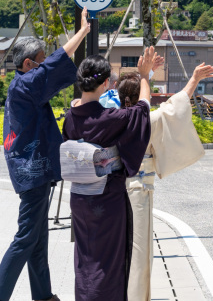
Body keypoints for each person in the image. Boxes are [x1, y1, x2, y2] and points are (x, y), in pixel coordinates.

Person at [0, 8, 90, 301]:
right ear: (28, 64)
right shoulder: (26, 84)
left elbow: (50, 66)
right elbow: (55, 64)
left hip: (33, 171)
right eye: (39, 62)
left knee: (38, 239)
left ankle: (44, 296)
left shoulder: (20, 87)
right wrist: (83, 32)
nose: (43, 67)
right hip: (33, 172)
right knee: (26, 238)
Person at [111, 62, 213, 301]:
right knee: (139, 251)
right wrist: (194, 79)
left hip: (113, 190)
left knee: (117, 250)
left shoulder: (112, 119)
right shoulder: (148, 119)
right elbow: (174, 106)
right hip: (139, 191)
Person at [62, 48, 158, 301]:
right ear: (105, 83)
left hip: (79, 199)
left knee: (85, 259)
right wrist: (144, 76)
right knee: (109, 263)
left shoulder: (70, 118)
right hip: (107, 198)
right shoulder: (111, 118)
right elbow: (142, 109)